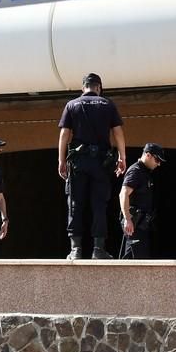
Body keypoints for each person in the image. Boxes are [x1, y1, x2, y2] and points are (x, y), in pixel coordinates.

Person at [57, 73, 126, 260]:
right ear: (99, 88)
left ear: (83, 88)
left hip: (79, 161)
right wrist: (122, 156)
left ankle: (76, 250)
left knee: (75, 204)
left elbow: (64, 134)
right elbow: (118, 132)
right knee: (99, 204)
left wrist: (61, 160)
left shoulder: (72, 105)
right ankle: (98, 249)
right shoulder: (108, 104)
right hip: (101, 162)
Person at [119, 142, 165, 259]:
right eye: (157, 160)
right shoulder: (136, 171)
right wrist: (127, 219)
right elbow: (123, 194)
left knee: (133, 257)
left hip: (141, 224)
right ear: (148, 155)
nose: (158, 164)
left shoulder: (145, 172)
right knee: (137, 258)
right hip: (134, 223)